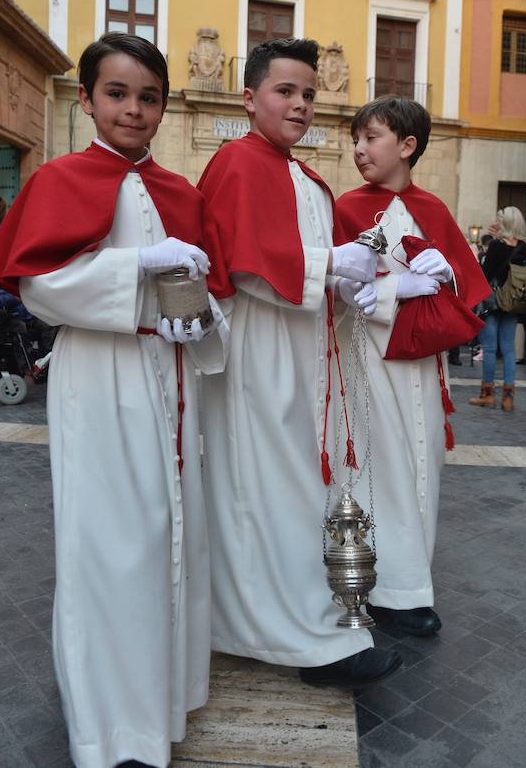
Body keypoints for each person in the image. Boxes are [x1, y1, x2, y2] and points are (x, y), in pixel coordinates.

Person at [0, 32, 229, 768]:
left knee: (172, 538)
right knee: (108, 548)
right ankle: (110, 730)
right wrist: (133, 267)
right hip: (102, 375)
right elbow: (39, 287)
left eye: (148, 97)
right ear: (86, 99)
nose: (133, 110)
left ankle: (163, 704)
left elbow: (212, 300)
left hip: (170, 379)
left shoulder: (184, 192)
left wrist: (204, 316)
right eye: (117, 94)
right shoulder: (58, 180)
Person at [198, 37, 401, 688]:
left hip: (303, 349)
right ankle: (290, 634)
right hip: (260, 350)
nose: (301, 104)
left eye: (310, 93)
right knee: (264, 490)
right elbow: (244, 264)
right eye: (286, 91)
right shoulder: (237, 162)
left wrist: (342, 283)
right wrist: (328, 268)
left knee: (295, 490)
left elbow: (309, 259)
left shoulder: (303, 175)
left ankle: (305, 618)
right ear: (249, 98)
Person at [334, 96, 490, 637]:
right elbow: (334, 293)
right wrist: (394, 285)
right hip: (368, 363)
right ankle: (373, 585)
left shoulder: (435, 209)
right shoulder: (347, 207)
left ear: (407, 146)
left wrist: (446, 270)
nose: (359, 149)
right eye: (356, 139)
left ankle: (412, 585)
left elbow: (468, 289)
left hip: (425, 366)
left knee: (424, 467)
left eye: (370, 138)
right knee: (382, 468)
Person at [469, 206, 526, 411]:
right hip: (512, 303)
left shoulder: (496, 246)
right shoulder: (524, 246)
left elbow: (485, 275)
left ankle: (487, 395)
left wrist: (490, 247)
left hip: (493, 302)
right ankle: (508, 398)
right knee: (509, 350)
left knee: (489, 348)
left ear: (504, 223)